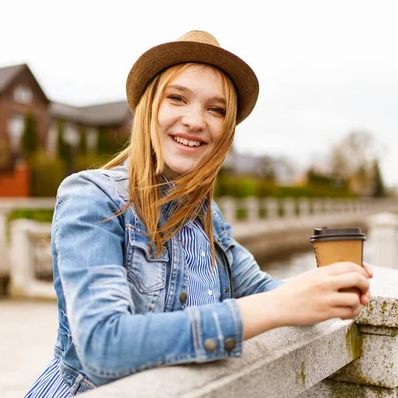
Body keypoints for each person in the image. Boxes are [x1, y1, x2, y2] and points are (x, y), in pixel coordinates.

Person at [25, 30, 373, 397]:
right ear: (150, 108)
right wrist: (273, 307)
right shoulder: (92, 197)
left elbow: (264, 291)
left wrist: (329, 289)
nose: (195, 120)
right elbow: (103, 346)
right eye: (177, 98)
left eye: (216, 109)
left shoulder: (207, 216)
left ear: (226, 131)